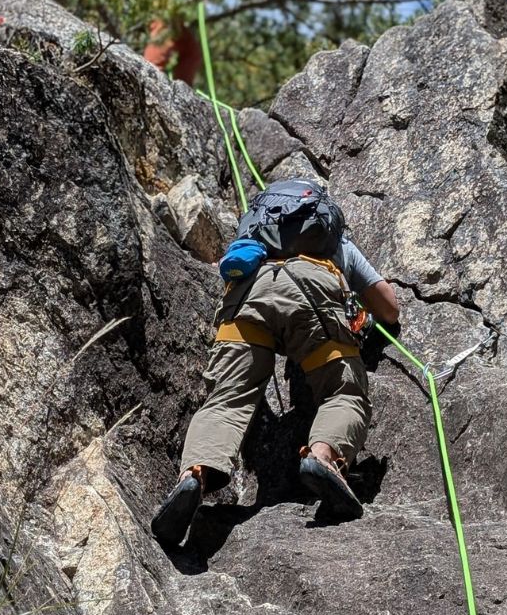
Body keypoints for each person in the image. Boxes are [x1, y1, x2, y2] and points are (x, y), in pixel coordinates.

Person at [151, 179, 400, 547]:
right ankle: (322, 457)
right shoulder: (333, 239)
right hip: (312, 293)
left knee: (227, 399)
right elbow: (389, 307)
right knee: (343, 391)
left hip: (247, 291)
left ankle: (195, 474)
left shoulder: (257, 235)